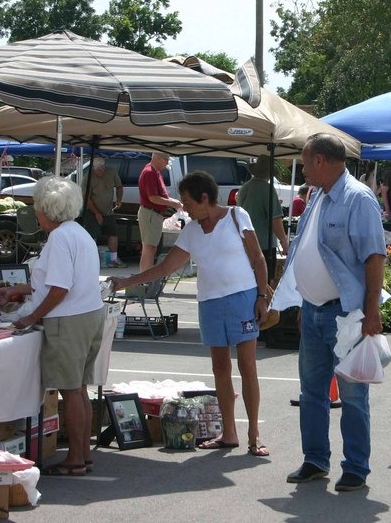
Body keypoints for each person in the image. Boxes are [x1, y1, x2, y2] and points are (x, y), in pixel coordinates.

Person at [110, 171, 271, 456]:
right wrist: (126, 282)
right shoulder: (192, 230)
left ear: (204, 198)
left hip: (243, 298)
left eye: (187, 201)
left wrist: (261, 296)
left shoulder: (237, 216)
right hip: (209, 302)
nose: (183, 206)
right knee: (220, 367)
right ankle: (229, 433)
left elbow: (258, 258)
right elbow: (165, 268)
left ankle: (254, 434)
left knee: (248, 365)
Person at [283, 133, 385, 492]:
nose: (303, 169)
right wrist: (304, 300)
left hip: (345, 314)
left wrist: (371, 313)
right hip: (313, 311)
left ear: (321, 161)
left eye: (305, 161)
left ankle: (356, 467)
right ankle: (315, 460)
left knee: (353, 394)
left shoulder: (358, 198)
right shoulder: (318, 195)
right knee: (312, 391)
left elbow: (375, 257)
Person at [0, 176, 105, 475]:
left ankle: (75, 459)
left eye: (37, 207)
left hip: (69, 319)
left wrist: (31, 317)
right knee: (79, 388)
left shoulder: (59, 238)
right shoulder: (78, 232)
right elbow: (59, 283)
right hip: (89, 314)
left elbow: (59, 289)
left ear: (47, 209)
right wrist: (21, 291)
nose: (35, 212)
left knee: (70, 390)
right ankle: (82, 454)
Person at [237, 155, 289, 283]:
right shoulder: (267, 188)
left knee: (248, 282)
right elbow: (275, 219)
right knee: (265, 283)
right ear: (270, 173)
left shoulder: (244, 187)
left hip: (244, 242)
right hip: (264, 245)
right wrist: (284, 241)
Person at [138, 152, 183, 271]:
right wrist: (173, 203)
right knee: (149, 247)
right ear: (157, 158)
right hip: (150, 213)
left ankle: (146, 278)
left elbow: (161, 196)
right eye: (166, 159)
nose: (167, 163)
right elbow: (153, 198)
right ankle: (145, 279)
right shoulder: (149, 172)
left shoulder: (155, 172)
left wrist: (176, 202)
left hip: (154, 214)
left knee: (151, 247)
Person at [81, 157, 124, 267]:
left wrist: (119, 200)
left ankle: (114, 260)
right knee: (92, 235)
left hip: (108, 211)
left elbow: (119, 187)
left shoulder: (112, 172)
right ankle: (91, 261)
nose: (100, 172)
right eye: (98, 170)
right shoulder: (88, 177)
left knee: (113, 233)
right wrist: (96, 213)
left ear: (105, 167)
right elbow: (86, 198)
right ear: (94, 168)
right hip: (91, 211)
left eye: (102, 169)